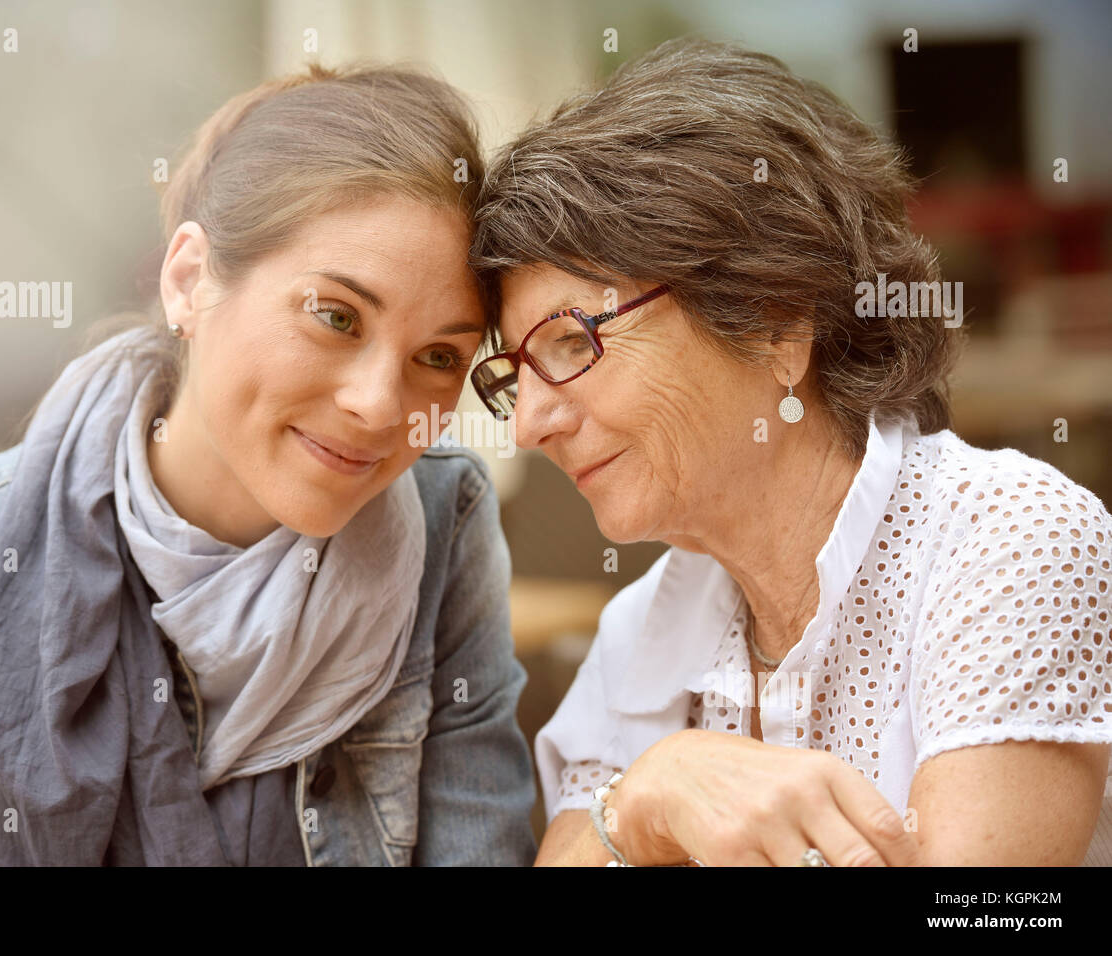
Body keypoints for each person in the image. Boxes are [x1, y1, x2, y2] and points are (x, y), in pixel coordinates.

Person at [0, 61, 537, 866]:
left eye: (439, 357)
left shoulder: (447, 523)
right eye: (337, 316)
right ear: (188, 281)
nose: (381, 405)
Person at [469, 38, 1112, 866]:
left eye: (569, 340)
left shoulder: (1008, 543)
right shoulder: (645, 627)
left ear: (774, 321)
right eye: (514, 372)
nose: (527, 424)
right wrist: (647, 799)